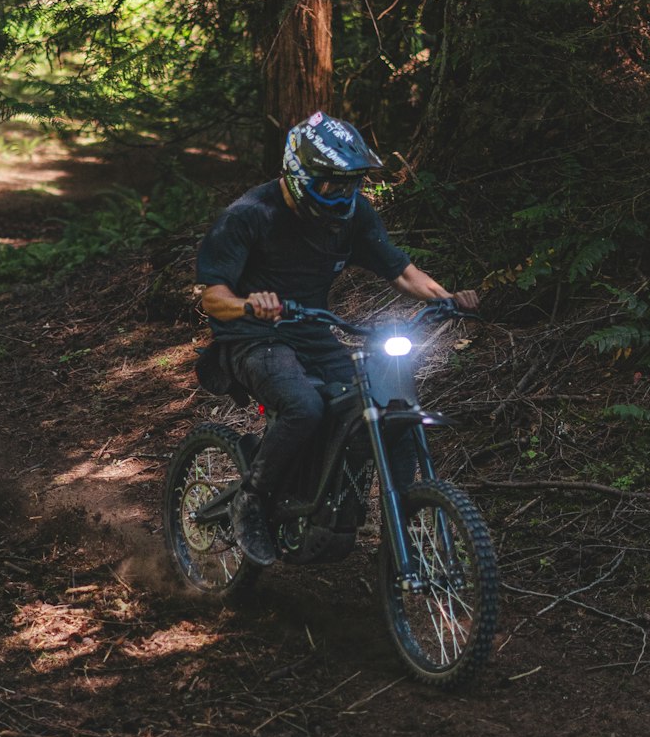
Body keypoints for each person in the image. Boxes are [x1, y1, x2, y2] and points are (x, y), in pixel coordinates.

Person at [195, 112, 478, 566]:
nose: (344, 193)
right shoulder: (250, 215)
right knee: (305, 406)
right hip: (252, 337)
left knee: (383, 410)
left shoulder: (354, 214)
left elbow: (401, 271)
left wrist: (446, 298)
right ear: (300, 173)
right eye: (332, 183)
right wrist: (249, 304)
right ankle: (251, 500)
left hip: (311, 332)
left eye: (352, 183)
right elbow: (213, 296)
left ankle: (402, 532)